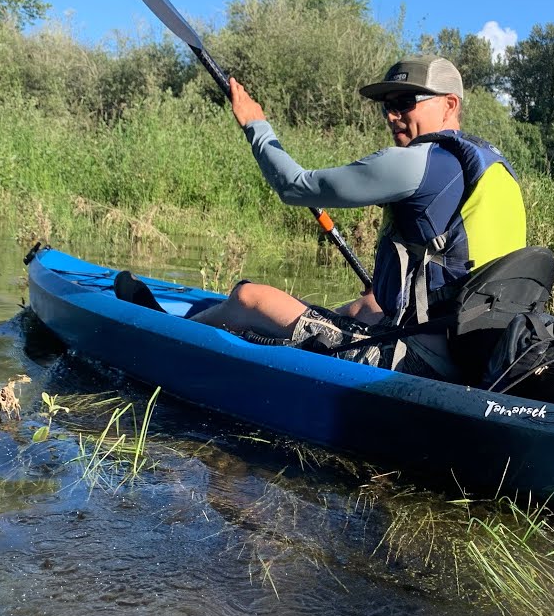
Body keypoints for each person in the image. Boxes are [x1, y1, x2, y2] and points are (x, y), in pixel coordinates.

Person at [188, 55, 528, 379]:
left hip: (417, 364)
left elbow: (293, 186)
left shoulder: (419, 162)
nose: (392, 116)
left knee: (248, 299)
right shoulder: (493, 166)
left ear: (450, 104)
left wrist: (255, 125)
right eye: (387, 106)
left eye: (405, 102)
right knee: (362, 307)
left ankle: (168, 335)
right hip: (479, 355)